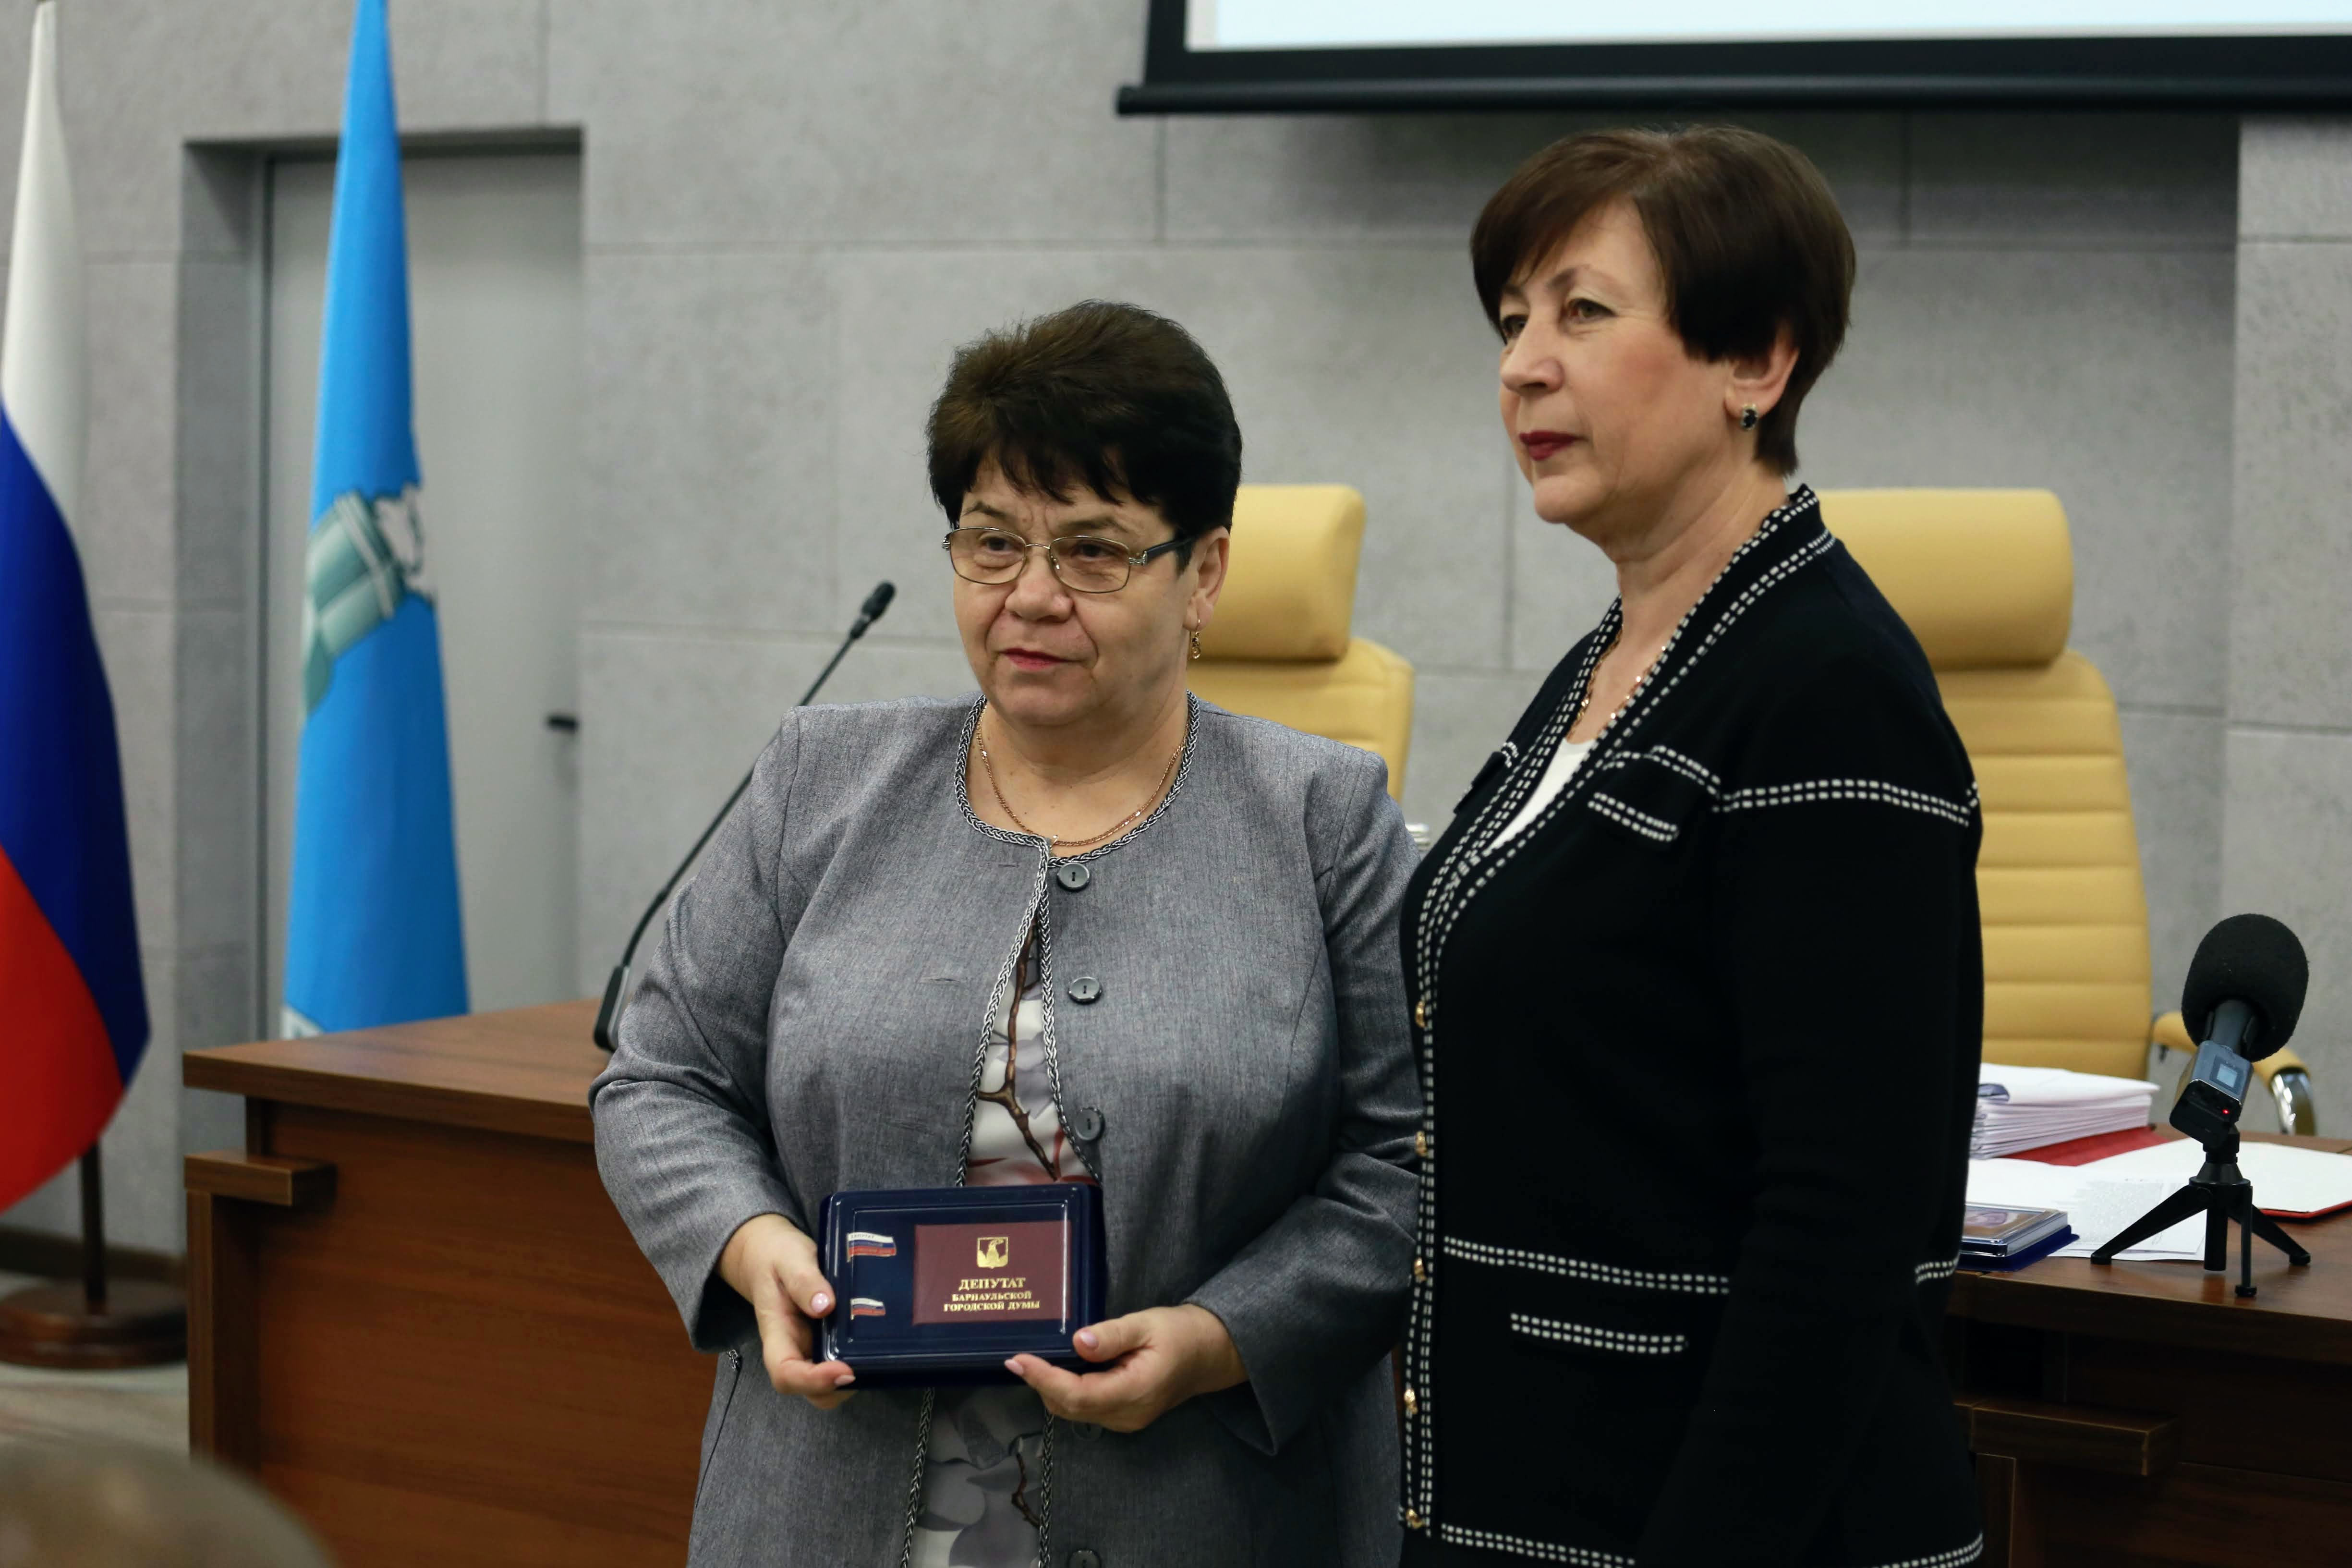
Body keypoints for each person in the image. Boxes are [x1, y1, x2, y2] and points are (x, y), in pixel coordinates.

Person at [591, 300, 1419, 1568]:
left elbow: (1405, 1159)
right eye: (992, 544)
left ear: (1204, 572)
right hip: (827, 1505)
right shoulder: (821, 779)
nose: (1030, 596)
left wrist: (1221, 1338)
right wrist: (752, 1247)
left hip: (1201, 1509)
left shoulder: (1325, 816)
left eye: (1093, 553)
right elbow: (661, 1079)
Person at [1396, 129, 1983, 1568]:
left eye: (1583, 313)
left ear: (1756, 362)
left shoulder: (1825, 685)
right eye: (1511, 322)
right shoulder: (1624, 654)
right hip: (1535, 1495)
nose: (1523, 367)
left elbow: (1841, 1228)